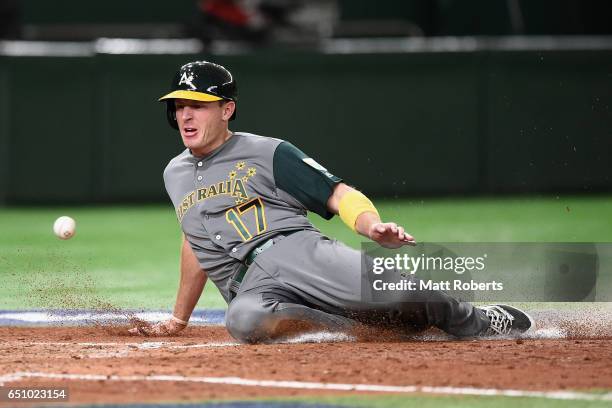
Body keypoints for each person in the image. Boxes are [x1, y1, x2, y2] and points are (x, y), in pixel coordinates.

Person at [130, 60, 533, 342]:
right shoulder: (175, 173)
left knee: (398, 294)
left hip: (297, 253)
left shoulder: (268, 152)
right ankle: (361, 327)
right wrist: (178, 318)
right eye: (179, 106)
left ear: (227, 109)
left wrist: (371, 225)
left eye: (197, 105)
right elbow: (194, 241)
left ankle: (475, 318)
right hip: (247, 288)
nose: (185, 115)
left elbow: (339, 194)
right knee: (245, 324)